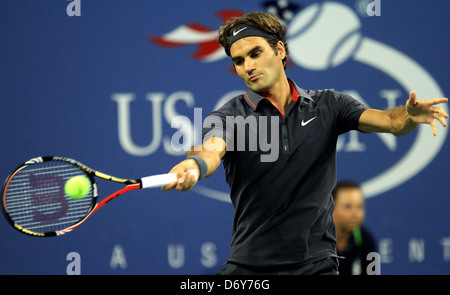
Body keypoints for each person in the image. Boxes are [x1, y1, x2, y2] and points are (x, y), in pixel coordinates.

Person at [162, 12, 448, 275]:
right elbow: (210, 149)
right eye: (239, 61)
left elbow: (391, 122)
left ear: (280, 50)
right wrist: (194, 166)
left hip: (317, 266)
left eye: (255, 53)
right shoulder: (229, 115)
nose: (248, 66)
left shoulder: (330, 105)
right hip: (250, 268)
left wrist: (409, 115)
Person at [333, 180, 377, 275]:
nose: (355, 214)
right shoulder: (317, 241)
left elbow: (373, 273)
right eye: (348, 207)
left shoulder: (367, 240)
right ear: (331, 208)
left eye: (360, 207)